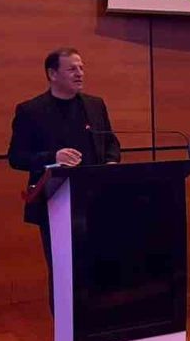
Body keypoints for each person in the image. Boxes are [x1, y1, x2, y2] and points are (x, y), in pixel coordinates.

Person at [7, 47, 121, 313]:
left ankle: (97, 321)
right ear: (52, 74)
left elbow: (111, 143)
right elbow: (16, 157)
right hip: (55, 202)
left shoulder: (95, 105)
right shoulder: (30, 111)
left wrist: (111, 163)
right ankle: (65, 326)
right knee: (63, 270)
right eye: (72, 69)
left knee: (100, 266)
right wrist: (52, 157)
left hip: (96, 199)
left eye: (81, 68)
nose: (80, 74)